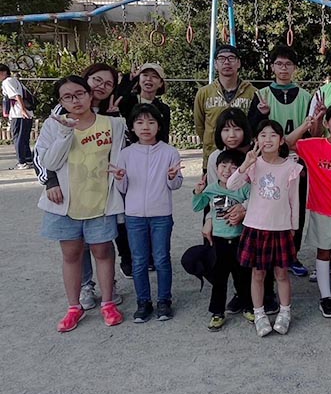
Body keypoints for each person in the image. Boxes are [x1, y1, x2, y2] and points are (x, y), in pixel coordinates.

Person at [36, 76, 127, 332]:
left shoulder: (114, 124)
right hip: (66, 203)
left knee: (103, 252)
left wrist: (121, 174)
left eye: (79, 94)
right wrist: (66, 131)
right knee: (71, 254)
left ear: (90, 95)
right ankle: (73, 307)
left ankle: (108, 303)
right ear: (61, 101)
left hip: (100, 201)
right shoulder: (54, 126)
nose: (75, 100)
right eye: (67, 97)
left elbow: (120, 157)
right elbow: (50, 163)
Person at [228, 120, 303, 337]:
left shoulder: (291, 167)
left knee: (281, 274)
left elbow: (293, 201)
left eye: (273, 135)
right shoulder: (253, 164)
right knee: (258, 274)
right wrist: (245, 164)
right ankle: (259, 314)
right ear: (256, 140)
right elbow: (232, 185)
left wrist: (293, 228)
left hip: (281, 228)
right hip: (255, 227)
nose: (267, 139)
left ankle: (285, 312)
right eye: (263, 135)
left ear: (281, 141)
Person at [111, 103, 183, 323]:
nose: (145, 127)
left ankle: (164, 301)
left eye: (151, 122)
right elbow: (122, 190)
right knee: (139, 261)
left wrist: (172, 176)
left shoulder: (169, 152)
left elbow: (176, 185)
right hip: (134, 216)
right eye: (140, 122)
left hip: (161, 214)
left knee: (161, 259)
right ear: (132, 126)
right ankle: (143, 302)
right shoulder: (125, 154)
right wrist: (120, 178)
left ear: (159, 126)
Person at [287, 103, 331, 318]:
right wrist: (308, 124)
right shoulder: (313, 145)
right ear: (326, 123)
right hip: (321, 210)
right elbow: (288, 142)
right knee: (324, 252)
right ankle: (325, 297)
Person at [249, 45, 312, 278]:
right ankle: (268, 255)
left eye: (288, 64)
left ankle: (292, 255)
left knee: (296, 207)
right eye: (279, 63)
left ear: (294, 68)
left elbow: (311, 132)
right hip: (269, 162)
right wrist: (262, 115)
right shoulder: (261, 95)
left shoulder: (306, 96)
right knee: (268, 205)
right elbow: (253, 129)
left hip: (297, 161)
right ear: (272, 66)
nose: (283, 68)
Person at [192, 149, 251, 332]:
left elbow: (254, 202)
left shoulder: (244, 188)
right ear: (216, 168)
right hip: (219, 241)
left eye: (234, 168)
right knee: (220, 279)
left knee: (244, 276)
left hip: (240, 239)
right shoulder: (212, 188)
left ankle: (248, 306)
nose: (227, 171)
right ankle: (217, 312)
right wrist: (197, 192)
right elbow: (197, 206)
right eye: (223, 166)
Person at [194, 44, 256, 169]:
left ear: (238, 63)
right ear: (215, 64)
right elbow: (200, 125)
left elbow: (255, 125)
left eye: (231, 58)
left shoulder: (252, 93)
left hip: (244, 160)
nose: (226, 62)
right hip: (214, 158)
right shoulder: (204, 93)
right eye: (221, 59)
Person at [118, 63, 171, 139]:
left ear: (161, 83)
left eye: (154, 76)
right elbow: (118, 96)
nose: (149, 79)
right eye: (145, 75)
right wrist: (131, 79)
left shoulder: (163, 109)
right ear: (139, 79)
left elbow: (164, 136)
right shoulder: (128, 100)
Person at [0, 63, 34, 169]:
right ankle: (28, 159)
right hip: (25, 113)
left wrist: (22, 110)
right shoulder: (14, 80)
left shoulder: (7, 82)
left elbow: (16, 96)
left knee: (18, 137)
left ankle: (22, 162)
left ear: (3, 72)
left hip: (18, 114)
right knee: (24, 137)